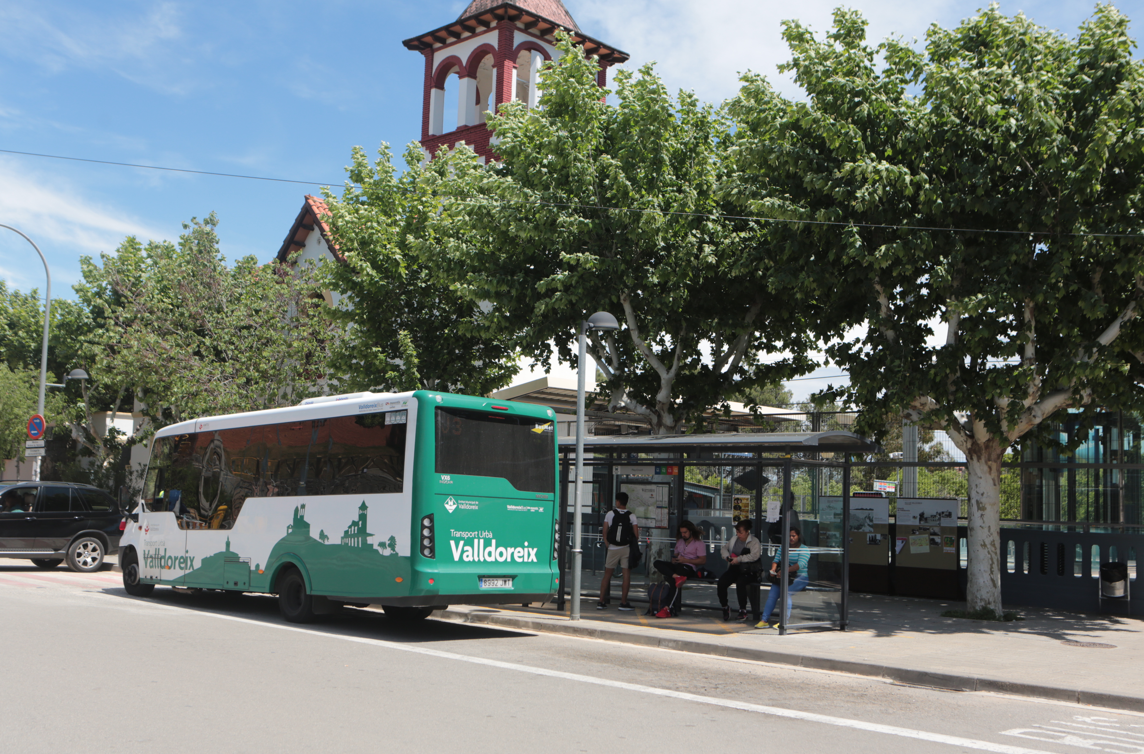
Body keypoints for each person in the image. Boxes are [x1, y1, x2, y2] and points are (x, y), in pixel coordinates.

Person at [756, 526, 810, 629]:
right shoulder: (783, 547)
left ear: (798, 536)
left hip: (800, 576)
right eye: (789, 536)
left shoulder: (804, 549)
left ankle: (784, 621)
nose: (791, 538)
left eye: (793, 536)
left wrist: (785, 570)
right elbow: (776, 560)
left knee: (786, 593)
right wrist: (773, 570)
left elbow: (800, 565)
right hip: (783, 576)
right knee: (772, 595)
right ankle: (764, 620)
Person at [652, 520, 706, 618]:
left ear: (691, 531)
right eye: (681, 533)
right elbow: (676, 555)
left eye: (685, 532)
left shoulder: (699, 543)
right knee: (657, 563)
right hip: (678, 565)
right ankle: (676, 577)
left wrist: (685, 560)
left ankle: (667, 608)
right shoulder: (680, 541)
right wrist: (674, 559)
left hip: (689, 567)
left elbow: (702, 561)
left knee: (673, 580)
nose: (683, 535)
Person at [598, 492, 639, 611]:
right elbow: (636, 535)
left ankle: (601, 601)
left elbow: (604, 532)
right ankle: (623, 602)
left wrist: (608, 544)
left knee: (607, 575)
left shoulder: (610, 514)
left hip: (612, 548)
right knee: (626, 576)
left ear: (618, 502)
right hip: (626, 548)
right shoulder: (632, 516)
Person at [718, 520, 763, 622]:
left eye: (741, 533)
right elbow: (724, 548)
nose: (739, 535)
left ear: (747, 531)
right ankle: (725, 606)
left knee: (741, 583)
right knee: (721, 583)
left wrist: (739, 559)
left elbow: (754, 556)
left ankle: (743, 609)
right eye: (737, 532)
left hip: (749, 570)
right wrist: (726, 556)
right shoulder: (734, 539)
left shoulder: (754, 541)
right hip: (735, 568)